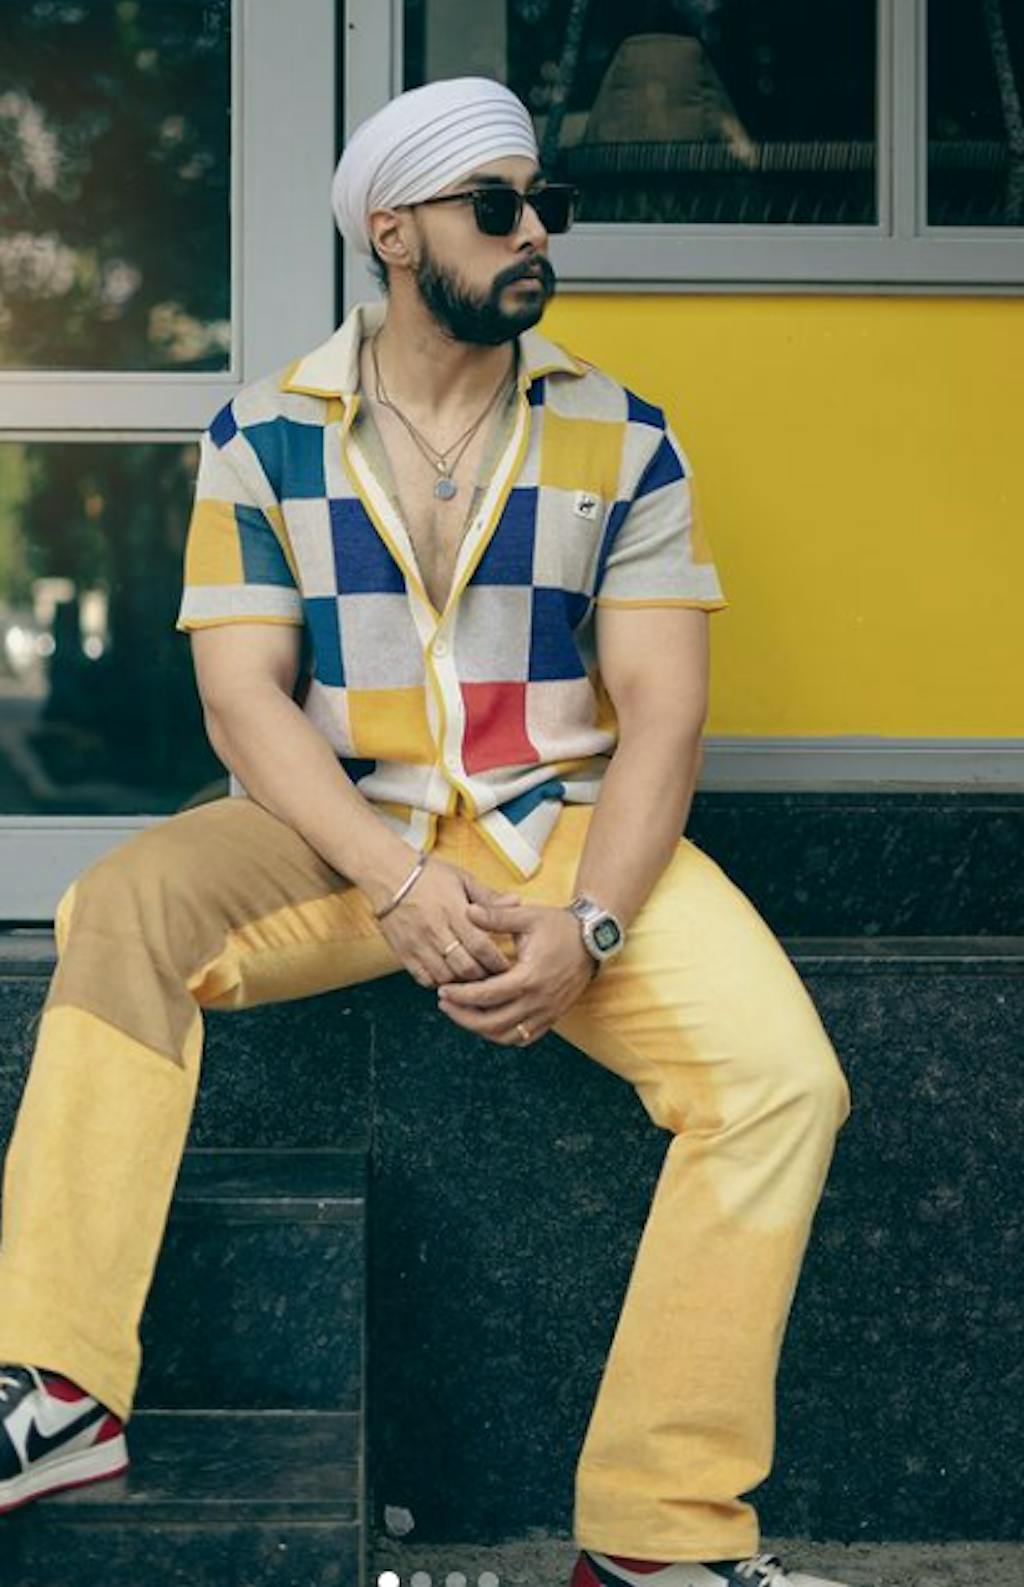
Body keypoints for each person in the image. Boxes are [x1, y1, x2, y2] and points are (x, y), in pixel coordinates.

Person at [0, 75, 855, 1587]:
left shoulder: (625, 440)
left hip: (559, 832)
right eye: (497, 207)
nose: (536, 236)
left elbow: (664, 713)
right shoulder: (264, 434)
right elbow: (242, 704)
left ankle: (659, 1540)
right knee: (120, 906)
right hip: (339, 833)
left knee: (786, 1083)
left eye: (546, 208)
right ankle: (54, 1386)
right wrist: (393, 879)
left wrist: (592, 925)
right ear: (392, 233)